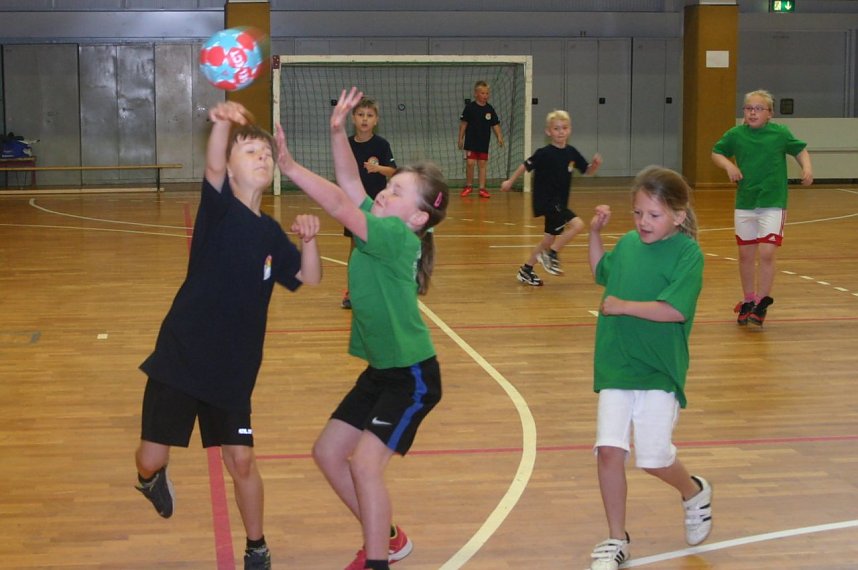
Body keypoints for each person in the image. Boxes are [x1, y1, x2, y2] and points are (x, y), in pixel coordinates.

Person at [133, 101, 322, 570]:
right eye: (248, 150)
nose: (259, 157)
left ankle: (256, 546)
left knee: (241, 461)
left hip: (233, 371)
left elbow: (309, 279)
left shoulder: (271, 233)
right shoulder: (218, 211)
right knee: (149, 458)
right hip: (181, 357)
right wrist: (221, 124)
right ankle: (151, 479)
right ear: (231, 170)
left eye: (264, 152)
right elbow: (213, 163)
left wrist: (310, 240)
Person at [276, 87, 447, 570]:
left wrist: (290, 168)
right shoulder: (386, 221)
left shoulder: (395, 236)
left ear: (417, 216)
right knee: (329, 454)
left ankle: (376, 560)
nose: (383, 193)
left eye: (394, 191)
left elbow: (339, 202)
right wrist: (336, 132)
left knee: (365, 465)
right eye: (388, 188)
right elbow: (350, 181)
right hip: (382, 371)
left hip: (411, 375)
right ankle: (389, 536)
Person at [586, 166, 711, 570]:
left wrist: (622, 306)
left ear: (678, 215)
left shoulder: (688, 254)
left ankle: (693, 492)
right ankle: (615, 537)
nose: (643, 222)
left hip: (659, 371)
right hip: (617, 364)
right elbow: (600, 271)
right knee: (609, 451)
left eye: (654, 215)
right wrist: (594, 235)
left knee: (654, 459)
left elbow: (674, 310)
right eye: (638, 213)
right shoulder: (626, 244)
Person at [711, 89, 813, 326]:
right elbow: (717, 152)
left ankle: (762, 301)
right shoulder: (736, 135)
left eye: (758, 109)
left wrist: (806, 167)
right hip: (746, 202)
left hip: (772, 201)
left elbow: (800, 150)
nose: (753, 112)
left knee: (766, 251)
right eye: (748, 108)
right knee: (745, 255)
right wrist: (728, 165)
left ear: (770, 113)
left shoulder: (779, 134)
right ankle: (748, 300)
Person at [500, 109, 601, 286]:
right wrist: (510, 181)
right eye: (556, 128)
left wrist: (595, 165)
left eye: (564, 128)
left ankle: (526, 270)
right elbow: (525, 165)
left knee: (548, 239)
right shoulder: (544, 153)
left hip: (559, 202)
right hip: (546, 201)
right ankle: (552, 254)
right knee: (578, 225)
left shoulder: (571, 153)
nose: (561, 131)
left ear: (569, 130)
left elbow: (587, 170)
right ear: (548, 131)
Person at [341, 96, 397, 309]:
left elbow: (394, 171)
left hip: (377, 207)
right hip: (353, 206)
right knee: (355, 248)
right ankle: (351, 292)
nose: (365, 119)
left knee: (376, 248)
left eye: (369, 115)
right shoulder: (346, 144)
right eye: (360, 115)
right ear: (353, 118)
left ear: (376, 120)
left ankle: (378, 290)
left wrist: (378, 169)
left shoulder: (382, 145)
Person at [457, 80, 504, 198]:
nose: (485, 96)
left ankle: (482, 188)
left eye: (487, 93)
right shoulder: (470, 108)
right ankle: (468, 186)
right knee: (470, 163)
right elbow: (463, 124)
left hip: (483, 142)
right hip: (471, 141)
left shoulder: (490, 109)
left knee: (482, 164)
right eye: (482, 93)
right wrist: (460, 138)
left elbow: (495, 124)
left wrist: (499, 136)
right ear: (476, 94)